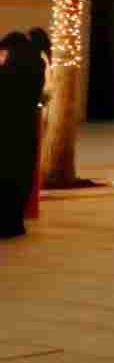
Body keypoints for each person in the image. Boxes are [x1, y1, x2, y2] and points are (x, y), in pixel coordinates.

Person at [0, 31, 46, 239]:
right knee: (21, 175)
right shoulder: (37, 65)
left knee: (7, 176)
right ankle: (15, 222)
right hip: (26, 129)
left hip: (8, 130)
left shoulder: (9, 70)